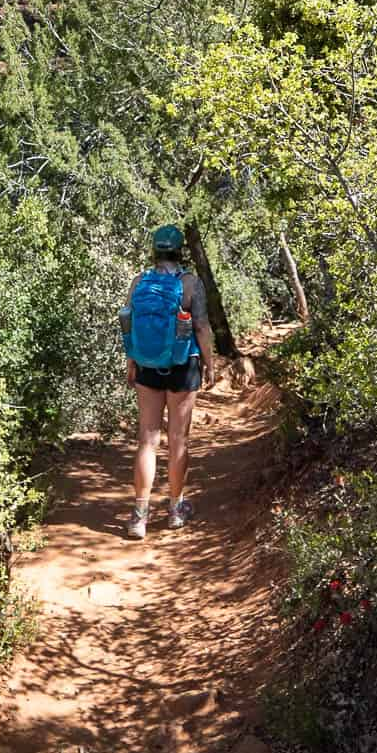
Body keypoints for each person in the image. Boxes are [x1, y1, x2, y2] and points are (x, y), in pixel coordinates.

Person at [121, 223, 216, 540]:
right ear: (180, 250)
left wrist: (131, 361)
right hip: (182, 366)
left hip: (147, 366)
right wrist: (210, 364)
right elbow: (201, 328)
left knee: (147, 440)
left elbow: (129, 325)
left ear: (154, 250)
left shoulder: (139, 282)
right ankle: (175, 509)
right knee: (178, 439)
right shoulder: (190, 284)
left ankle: (139, 516)